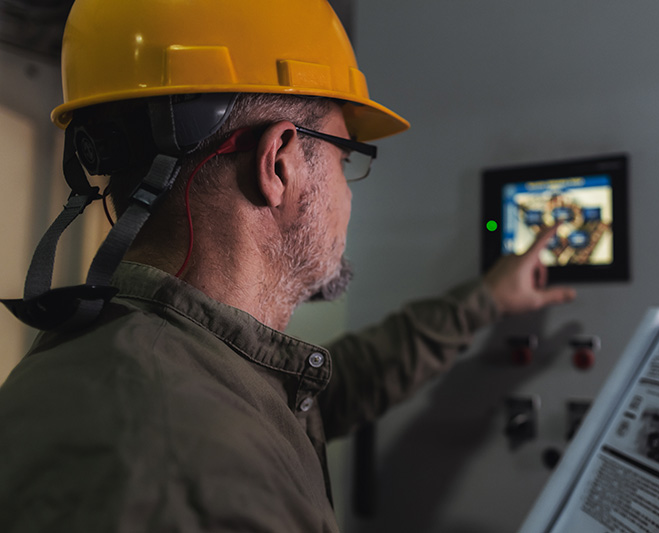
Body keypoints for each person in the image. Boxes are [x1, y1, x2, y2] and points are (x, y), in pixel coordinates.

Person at [0, 1, 575, 531]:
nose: (351, 196)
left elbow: (325, 391)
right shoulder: (198, 473)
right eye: (346, 161)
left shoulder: (122, 352)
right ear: (280, 163)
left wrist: (489, 300)